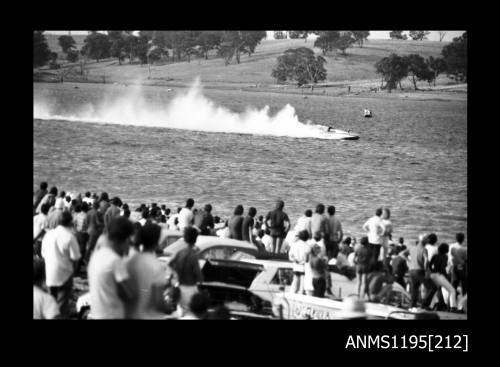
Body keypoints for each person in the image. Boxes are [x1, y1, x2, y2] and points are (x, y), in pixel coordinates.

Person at [87, 217, 136, 319]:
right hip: (112, 315)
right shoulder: (114, 261)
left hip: (97, 313)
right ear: (125, 239)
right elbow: (128, 294)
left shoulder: (97, 256)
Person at [41, 211, 81, 318]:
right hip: (64, 275)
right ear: (70, 222)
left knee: (51, 303)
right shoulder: (70, 236)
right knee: (62, 305)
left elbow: (43, 254)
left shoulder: (49, 234)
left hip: (49, 273)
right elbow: (76, 257)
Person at [126, 223, 170, 319]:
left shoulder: (131, 260)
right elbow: (159, 303)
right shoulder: (156, 266)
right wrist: (170, 309)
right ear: (156, 241)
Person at [168, 227, 204, 317]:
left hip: (179, 288)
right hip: (190, 289)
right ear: (195, 239)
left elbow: (169, 264)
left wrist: (175, 275)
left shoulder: (179, 252)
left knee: (180, 313)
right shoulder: (193, 255)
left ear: (184, 238)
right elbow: (200, 277)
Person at [423, 243, 458, 312]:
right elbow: (442, 267)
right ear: (446, 250)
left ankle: (430, 306)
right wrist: (445, 275)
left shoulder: (435, 255)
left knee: (436, 291)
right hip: (439, 275)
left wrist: (433, 271)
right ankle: (453, 307)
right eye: (448, 248)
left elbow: (429, 265)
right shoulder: (445, 256)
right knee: (452, 290)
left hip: (432, 275)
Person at [408, 234, 429, 309]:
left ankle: (412, 305)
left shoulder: (412, 248)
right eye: (427, 240)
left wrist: (408, 262)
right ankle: (425, 305)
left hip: (411, 270)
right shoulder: (424, 249)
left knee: (414, 289)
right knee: (431, 287)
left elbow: (404, 254)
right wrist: (426, 271)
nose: (428, 241)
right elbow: (426, 261)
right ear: (424, 241)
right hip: (419, 271)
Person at [289, 230, 311, 294]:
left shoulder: (294, 244)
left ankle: (292, 293)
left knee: (295, 281)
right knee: (302, 282)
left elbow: (290, 256)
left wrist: (295, 260)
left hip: (295, 265)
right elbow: (307, 259)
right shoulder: (307, 246)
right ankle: (300, 294)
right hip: (303, 266)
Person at [449, 233, 467, 297]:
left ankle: (451, 303)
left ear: (456, 239)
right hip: (461, 268)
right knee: (464, 285)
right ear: (463, 239)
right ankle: (464, 302)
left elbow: (449, 258)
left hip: (453, 267)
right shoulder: (463, 248)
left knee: (454, 285)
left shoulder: (451, 246)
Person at [73, 203, 89, 275]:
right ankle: (76, 271)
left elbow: (74, 223)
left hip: (77, 234)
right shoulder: (87, 216)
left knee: (76, 251)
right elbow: (88, 226)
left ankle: (75, 269)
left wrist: (76, 230)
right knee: (81, 253)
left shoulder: (77, 215)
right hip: (83, 234)